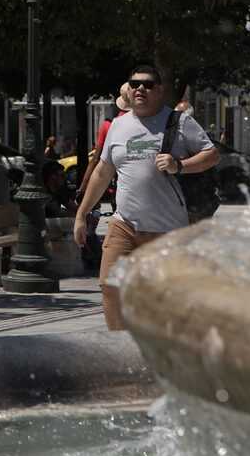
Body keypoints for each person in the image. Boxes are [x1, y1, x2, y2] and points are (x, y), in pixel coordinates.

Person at [73, 65, 219, 331]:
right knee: (111, 287)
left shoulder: (178, 121)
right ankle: (119, 345)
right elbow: (103, 171)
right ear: (129, 90)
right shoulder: (118, 125)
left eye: (148, 84)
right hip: (124, 225)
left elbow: (211, 154)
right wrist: (82, 214)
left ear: (160, 91)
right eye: (135, 84)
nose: (140, 88)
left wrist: (179, 165)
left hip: (168, 230)